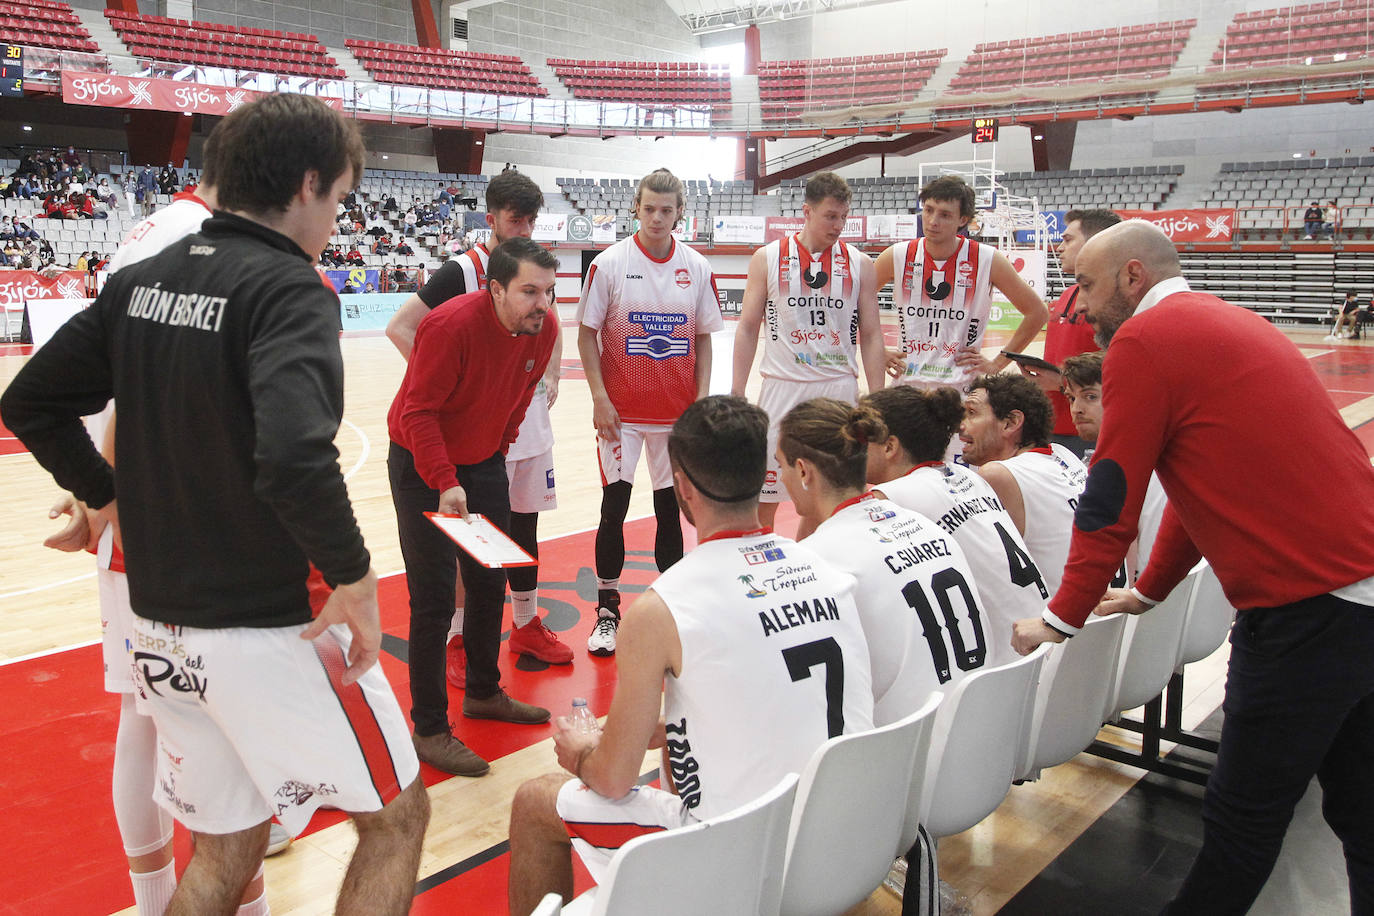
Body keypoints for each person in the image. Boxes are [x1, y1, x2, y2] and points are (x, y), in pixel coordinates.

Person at [1, 93, 430, 915]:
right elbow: (295, 455)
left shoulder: (138, 282)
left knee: (225, 851)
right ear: (306, 185)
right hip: (269, 623)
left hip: (159, 623)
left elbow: (30, 404)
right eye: (339, 199)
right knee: (397, 818)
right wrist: (353, 571)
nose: (338, 221)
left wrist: (106, 496)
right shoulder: (291, 290)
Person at [1012, 219, 1374, 916]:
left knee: (1241, 824)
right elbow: (1195, 487)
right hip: (1358, 593)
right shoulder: (1222, 319)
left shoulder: (1147, 340)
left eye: (1085, 284)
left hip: (1309, 609)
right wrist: (1149, 590)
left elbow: (1110, 498)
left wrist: (1062, 617)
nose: (1078, 304)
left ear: (1132, 277)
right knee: (1360, 810)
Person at [505, 396, 875, 916]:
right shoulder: (824, 568)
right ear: (765, 472)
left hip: (742, 854)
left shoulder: (663, 607)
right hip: (848, 834)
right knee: (673, 753)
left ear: (681, 486)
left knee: (534, 801)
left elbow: (612, 779)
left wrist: (583, 752)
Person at [385, 171, 570, 686]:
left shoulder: (537, 278)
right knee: (455, 558)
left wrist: (546, 373)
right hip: (452, 433)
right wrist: (461, 391)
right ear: (491, 220)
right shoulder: (462, 273)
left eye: (532, 219)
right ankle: (459, 638)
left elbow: (546, 332)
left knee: (517, 529)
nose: (525, 227)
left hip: (510, 423)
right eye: (516, 219)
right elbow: (402, 329)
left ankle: (527, 622)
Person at [388, 237, 560, 777]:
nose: (543, 304)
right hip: (421, 465)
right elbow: (417, 414)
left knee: (491, 580)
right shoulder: (449, 327)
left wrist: (495, 457)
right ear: (495, 290)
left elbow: (516, 400)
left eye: (550, 292)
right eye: (529, 292)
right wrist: (445, 479)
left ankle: (484, 692)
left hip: (482, 462)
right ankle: (430, 728)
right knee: (434, 600)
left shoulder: (544, 330)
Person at [576, 168, 723, 656]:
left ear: (680, 212)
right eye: (649, 209)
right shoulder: (609, 264)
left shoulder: (697, 267)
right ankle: (606, 613)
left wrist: (701, 401)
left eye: (667, 210)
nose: (657, 218)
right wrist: (599, 397)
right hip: (622, 416)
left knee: (668, 512)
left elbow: (702, 338)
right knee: (612, 509)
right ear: (635, 208)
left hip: (675, 418)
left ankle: (674, 608)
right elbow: (586, 334)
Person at [730, 171, 886, 537]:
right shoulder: (767, 257)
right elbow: (748, 326)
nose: (838, 225)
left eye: (844, 217)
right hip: (782, 386)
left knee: (829, 499)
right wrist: (737, 388)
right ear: (807, 212)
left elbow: (873, 333)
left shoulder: (860, 264)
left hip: (838, 389)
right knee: (764, 498)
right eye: (831, 216)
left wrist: (878, 397)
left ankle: (813, 570)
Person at [863, 384, 1046, 665]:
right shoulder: (968, 477)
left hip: (1002, 661)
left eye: (860, 439)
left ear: (889, 447)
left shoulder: (891, 499)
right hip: (1041, 645)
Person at [875, 175, 1048, 394]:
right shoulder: (896, 255)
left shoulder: (988, 259)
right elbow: (855, 303)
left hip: (961, 390)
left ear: (963, 219)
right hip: (907, 388)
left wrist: (998, 363)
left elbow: (1038, 313)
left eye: (945, 215)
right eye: (928, 210)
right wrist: (879, 350)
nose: (932, 221)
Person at [958, 374, 1111, 597]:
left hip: (1064, 623)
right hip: (1109, 617)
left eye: (972, 413)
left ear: (1010, 422)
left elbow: (982, 573)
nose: (961, 426)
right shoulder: (1063, 454)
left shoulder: (998, 475)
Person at [1019, 208, 1121, 458]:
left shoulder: (1116, 302)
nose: (1059, 247)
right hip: (1053, 426)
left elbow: (1123, 371)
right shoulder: (1068, 294)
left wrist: (1062, 382)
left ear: (1096, 244)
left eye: (1068, 240)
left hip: (1090, 432)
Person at [1059, 351, 1167, 582]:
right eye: (1071, 398)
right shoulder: (1143, 450)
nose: (1076, 409)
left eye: (1090, 397)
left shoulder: (1144, 465)